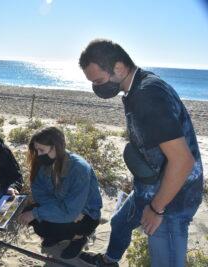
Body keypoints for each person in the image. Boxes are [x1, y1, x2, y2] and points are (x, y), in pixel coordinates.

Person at [78, 39, 203, 267]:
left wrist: (156, 209)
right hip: (148, 187)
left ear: (119, 68)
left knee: (165, 261)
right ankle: (110, 261)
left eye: (98, 80)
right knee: (120, 222)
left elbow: (183, 161)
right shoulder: (137, 88)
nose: (96, 87)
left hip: (172, 197)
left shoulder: (148, 96)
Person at [17, 127, 102, 259]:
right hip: (69, 209)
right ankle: (56, 235)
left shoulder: (79, 168)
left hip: (86, 214)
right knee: (35, 220)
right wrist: (56, 209)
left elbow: (70, 212)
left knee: (41, 217)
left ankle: (78, 239)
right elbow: (39, 192)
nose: (38, 155)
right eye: (36, 150)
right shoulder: (45, 162)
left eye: (42, 150)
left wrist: (38, 213)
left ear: (56, 147)